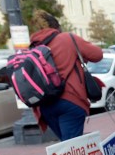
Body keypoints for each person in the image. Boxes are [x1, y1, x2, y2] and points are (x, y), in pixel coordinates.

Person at [29, 11, 103, 141]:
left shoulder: (33, 47)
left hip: (45, 106)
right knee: (71, 150)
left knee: (66, 146)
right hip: (70, 100)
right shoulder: (67, 38)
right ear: (57, 27)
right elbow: (97, 55)